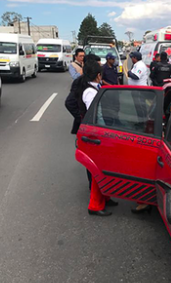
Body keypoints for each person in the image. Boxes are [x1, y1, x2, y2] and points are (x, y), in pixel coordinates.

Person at [76, 61, 118, 217]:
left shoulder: (93, 89)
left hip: (97, 133)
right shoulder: (90, 92)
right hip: (96, 135)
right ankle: (95, 205)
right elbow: (95, 115)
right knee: (97, 171)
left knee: (103, 169)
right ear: (98, 75)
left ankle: (105, 197)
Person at [65, 54, 101, 135]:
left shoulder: (96, 81)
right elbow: (70, 102)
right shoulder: (81, 83)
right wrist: (81, 118)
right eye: (97, 65)